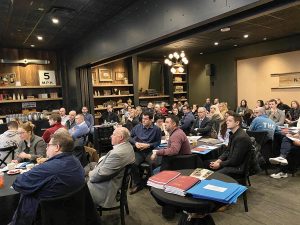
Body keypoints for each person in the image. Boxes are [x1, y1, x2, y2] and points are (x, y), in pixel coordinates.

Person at [10, 132, 85, 225]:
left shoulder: (48, 168)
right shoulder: (75, 161)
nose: (46, 148)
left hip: (43, 215)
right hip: (70, 212)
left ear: (57, 147)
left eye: (48, 145)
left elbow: (18, 183)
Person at [88, 127, 135, 207]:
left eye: (113, 134)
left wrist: (90, 173)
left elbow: (98, 176)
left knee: (78, 185)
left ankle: (88, 214)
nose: (110, 136)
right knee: (90, 165)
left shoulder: (117, 154)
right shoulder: (128, 146)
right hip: (114, 178)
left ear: (120, 138)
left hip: (106, 189)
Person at [129, 112, 161, 194]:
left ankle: (153, 184)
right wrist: (135, 143)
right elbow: (129, 137)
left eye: (146, 119)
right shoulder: (137, 127)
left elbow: (158, 142)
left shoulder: (156, 129)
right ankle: (137, 184)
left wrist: (149, 145)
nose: (143, 120)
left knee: (154, 163)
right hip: (139, 151)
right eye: (143, 118)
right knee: (132, 163)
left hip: (149, 151)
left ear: (151, 120)